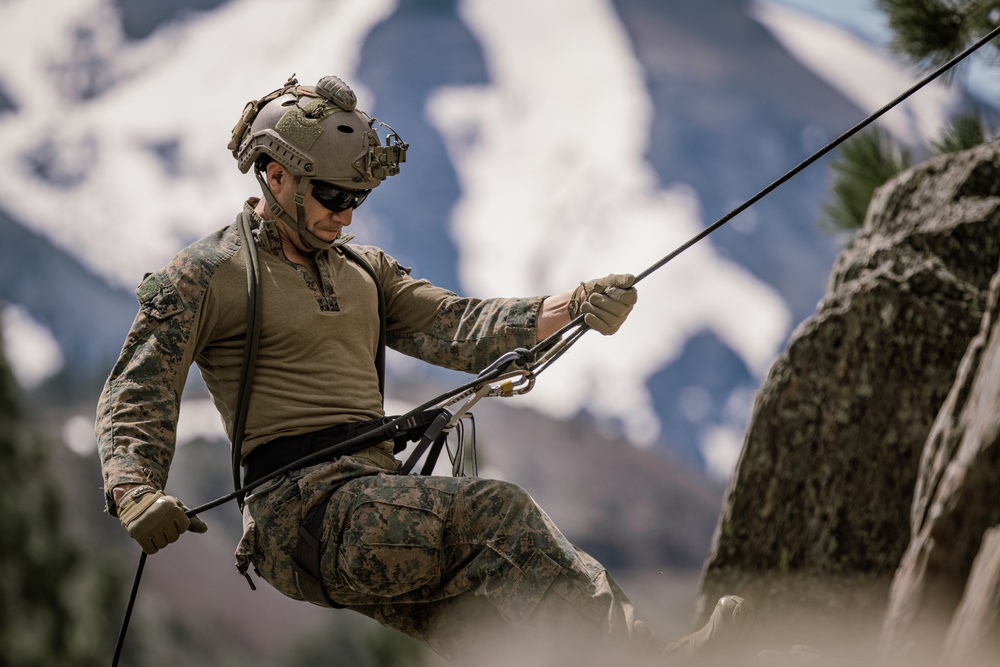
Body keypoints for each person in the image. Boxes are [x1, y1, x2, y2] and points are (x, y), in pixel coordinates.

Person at [97, 74, 752, 666]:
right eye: (330, 195)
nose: (346, 213)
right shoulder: (210, 272)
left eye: (356, 196)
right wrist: (134, 492)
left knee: (491, 628)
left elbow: (461, 326)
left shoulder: (363, 270)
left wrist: (575, 305)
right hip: (301, 517)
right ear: (274, 175)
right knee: (498, 514)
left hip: (373, 499)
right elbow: (139, 383)